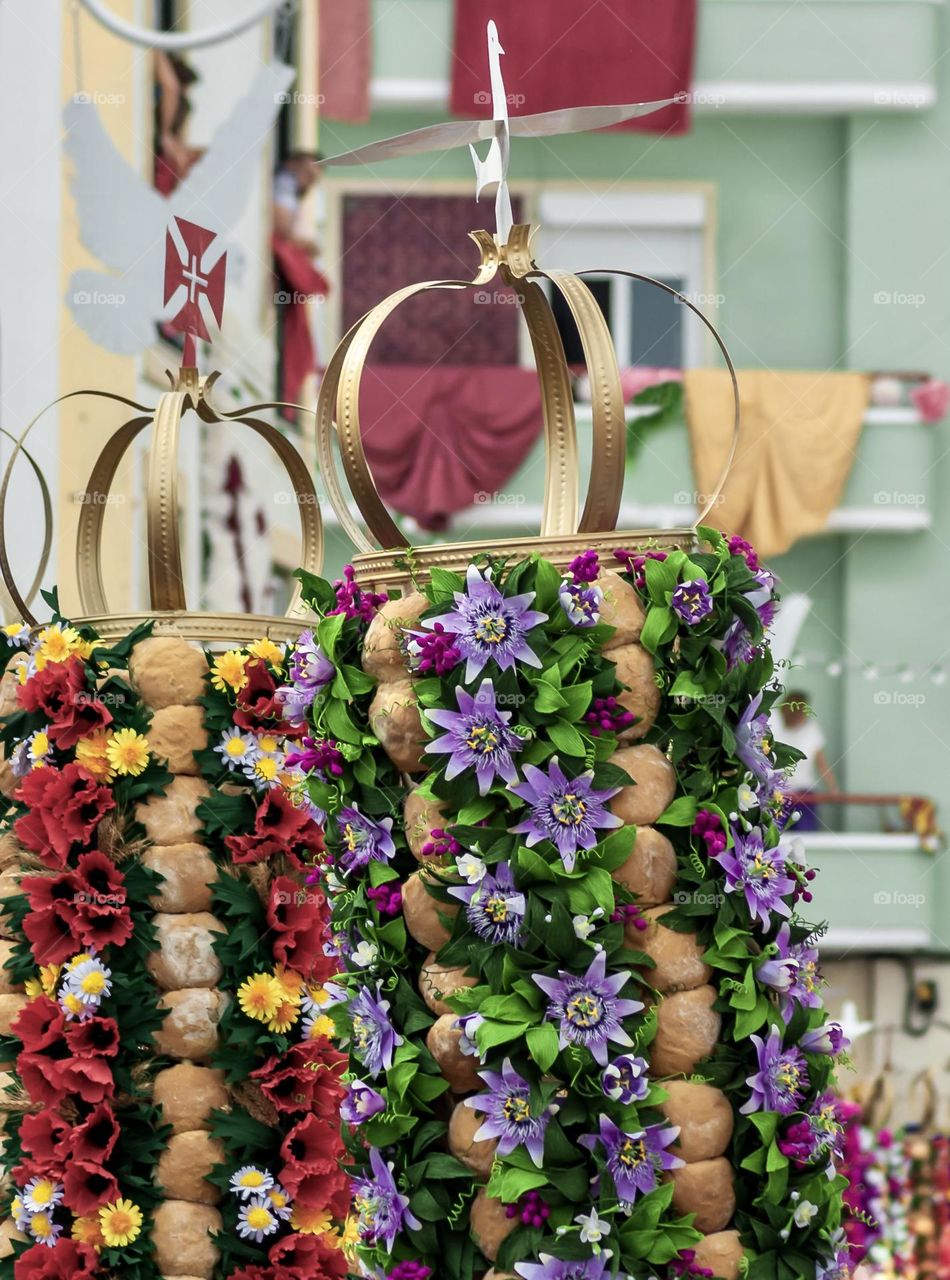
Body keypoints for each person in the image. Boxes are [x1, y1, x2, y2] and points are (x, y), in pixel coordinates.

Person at [272, 151, 330, 409]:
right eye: (307, 173)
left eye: (313, 179)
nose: (307, 182)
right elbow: (282, 229)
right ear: (292, 165)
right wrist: (307, 245)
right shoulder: (285, 182)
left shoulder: (293, 190)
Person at [778, 691, 838, 833]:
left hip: (804, 795)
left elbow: (821, 763)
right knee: (775, 839)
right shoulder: (774, 726)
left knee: (806, 837)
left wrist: (833, 789)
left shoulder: (811, 729)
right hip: (777, 795)